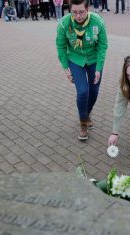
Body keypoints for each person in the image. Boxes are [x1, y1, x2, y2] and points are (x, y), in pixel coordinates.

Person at [56, 0, 108, 140]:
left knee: (94, 91)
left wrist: (98, 68)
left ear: (87, 9)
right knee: (83, 91)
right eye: (74, 12)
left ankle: (87, 113)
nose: (78, 16)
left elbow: (103, 46)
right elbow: (60, 46)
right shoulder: (64, 23)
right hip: (75, 59)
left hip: (93, 59)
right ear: (70, 10)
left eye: (81, 12)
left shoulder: (97, 22)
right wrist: (65, 67)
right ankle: (83, 122)